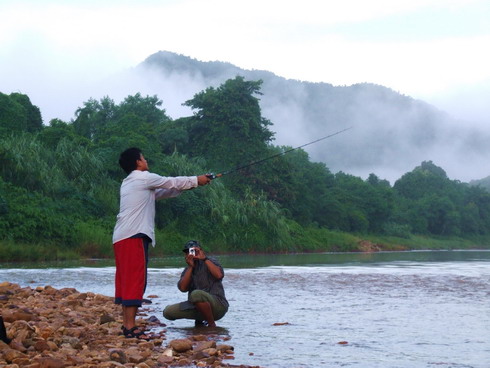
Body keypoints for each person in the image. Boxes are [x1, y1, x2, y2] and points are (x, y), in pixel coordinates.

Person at [113, 147, 211, 339]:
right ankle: (131, 327)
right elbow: (170, 182)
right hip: (134, 236)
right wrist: (195, 179)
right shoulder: (143, 178)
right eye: (143, 157)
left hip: (121, 237)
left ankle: (127, 325)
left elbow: (165, 191)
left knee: (127, 280)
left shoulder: (129, 182)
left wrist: (193, 184)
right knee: (135, 281)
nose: (145, 160)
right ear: (138, 163)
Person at [163, 240, 229, 327]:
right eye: (188, 252)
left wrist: (204, 259)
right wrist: (191, 267)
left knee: (196, 294)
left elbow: (219, 275)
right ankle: (200, 321)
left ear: (201, 251)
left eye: (194, 251)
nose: (191, 254)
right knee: (168, 312)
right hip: (195, 305)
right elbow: (182, 288)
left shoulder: (211, 261)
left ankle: (211, 324)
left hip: (218, 305)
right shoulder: (187, 270)